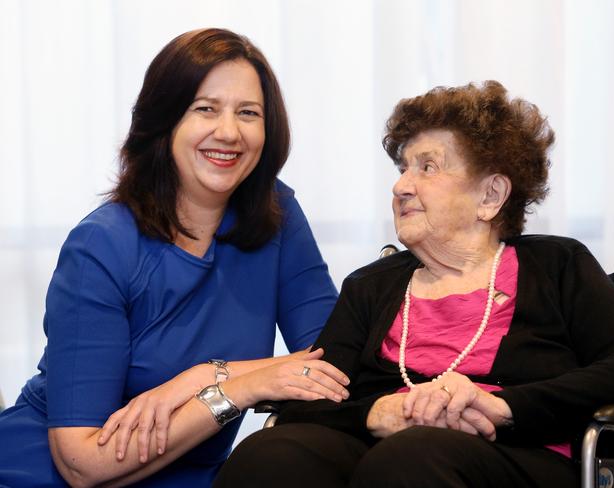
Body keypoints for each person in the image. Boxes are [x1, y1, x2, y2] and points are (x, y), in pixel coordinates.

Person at [215, 80, 614, 488]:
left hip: (519, 454)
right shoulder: (371, 286)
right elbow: (308, 400)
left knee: (411, 458)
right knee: (270, 455)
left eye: (428, 168)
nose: (401, 186)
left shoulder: (556, 265)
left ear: (490, 196)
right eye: (404, 168)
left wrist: (505, 406)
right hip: (385, 450)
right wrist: (375, 412)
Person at [0, 28, 351, 487]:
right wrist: (233, 388)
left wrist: (205, 376)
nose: (229, 132)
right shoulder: (101, 245)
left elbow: (331, 361)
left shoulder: (276, 215)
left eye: (248, 113)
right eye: (205, 109)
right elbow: (81, 463)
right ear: (164, 122)